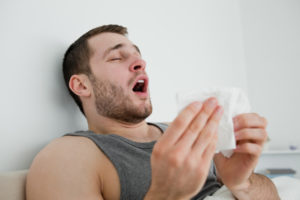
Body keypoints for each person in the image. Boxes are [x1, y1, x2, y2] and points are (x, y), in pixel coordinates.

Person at [26, 24, 280, 200]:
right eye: (116, 58)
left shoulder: (181, 132)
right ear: (81, 85)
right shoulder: (68, 156)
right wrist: (167, 194)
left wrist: (241, 182)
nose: (141, 63)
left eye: (138, 56)